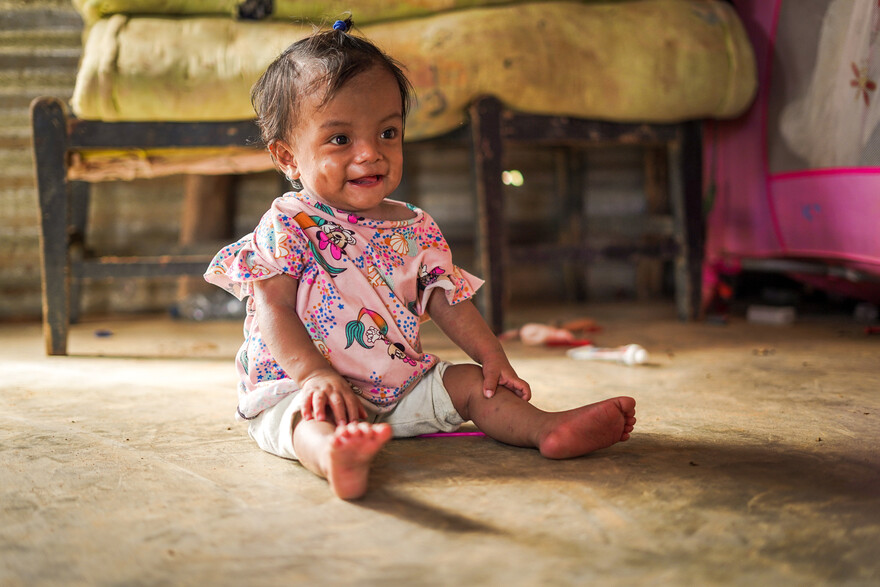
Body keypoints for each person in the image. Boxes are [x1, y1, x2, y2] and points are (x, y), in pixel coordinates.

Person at [205, 18, 636, 500]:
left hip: (397, 384)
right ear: (287, 157)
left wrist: (492, 356)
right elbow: (273, 310)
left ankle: (546, 430)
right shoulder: (288, 223)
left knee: (474, 385)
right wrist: (315, 376)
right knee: (306, 421)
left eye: (387, 132)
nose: (371, 153)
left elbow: (448, 301)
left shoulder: (415, 227)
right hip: (301, 387)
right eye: (341, 140)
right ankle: (332, 455)